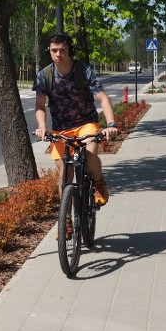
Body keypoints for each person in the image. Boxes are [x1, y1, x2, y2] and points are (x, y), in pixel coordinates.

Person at [33, 33, 118, 205]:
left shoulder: (83, 70)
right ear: (48, 51)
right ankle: (66, 222)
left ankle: (99, 183)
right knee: (65, 173)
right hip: (60, 129)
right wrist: (42, 126)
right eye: (54, 50)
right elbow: (40, 106)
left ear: (69, 50)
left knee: (88, 155)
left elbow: (102, 98)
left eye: (63, 50)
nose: (58, 54)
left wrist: (110, 124)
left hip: (86, 123)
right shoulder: (44, 76)